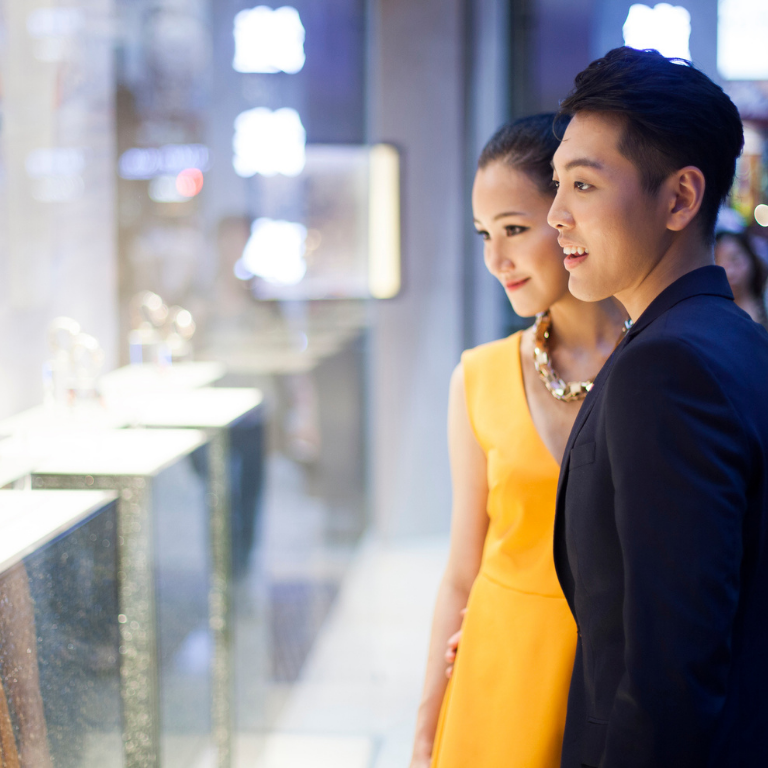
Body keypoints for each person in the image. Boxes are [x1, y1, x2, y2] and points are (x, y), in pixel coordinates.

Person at [548, 46, 768, 767]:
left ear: (678, 198)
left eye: (583, 185)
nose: (556, 216)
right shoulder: (733, 339)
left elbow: (669, 676)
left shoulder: (668, 369)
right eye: (557, 185)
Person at [409, 114, 627, 768]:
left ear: (570, 217)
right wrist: (425, 734)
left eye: (513, 229)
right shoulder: (477, 376)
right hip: (498, 679)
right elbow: (461, 573)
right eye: (484, 234)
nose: (494, 260)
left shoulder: (655, 366)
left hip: (616, 679)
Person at [714, 230, 768, 328]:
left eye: (735, 260)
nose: (729, 272)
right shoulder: (713, 316)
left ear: (751, 259)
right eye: (719, 262)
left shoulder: (765, 303)